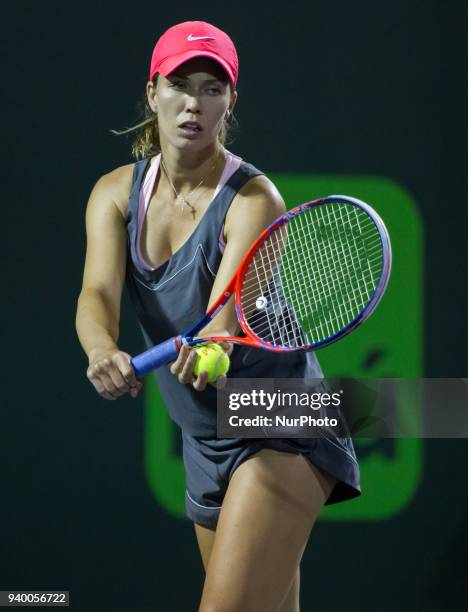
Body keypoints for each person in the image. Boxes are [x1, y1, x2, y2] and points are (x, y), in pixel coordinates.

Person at [76, 20, 361, 612]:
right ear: (152, 91)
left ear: (230, 102)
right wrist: (102, 349)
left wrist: (210, 350)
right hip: (205, 434)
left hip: (283, 411)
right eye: (180, 84)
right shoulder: (112, 195)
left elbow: (224, 315)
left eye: (212, 88)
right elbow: (97, 294)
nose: (194, 104)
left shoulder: (256, 199)